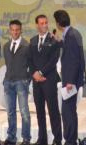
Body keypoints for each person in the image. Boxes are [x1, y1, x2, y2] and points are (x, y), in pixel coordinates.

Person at [27, 14, 62, 145]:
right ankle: (42, 139)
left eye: (46, 22)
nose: (44, 25)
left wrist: (41, 72)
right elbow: (29, 60)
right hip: (36, 82)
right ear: (37, 25)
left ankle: (57, 140)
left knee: (53, 111)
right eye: (41, 23)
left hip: (49, 80)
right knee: (39, 112)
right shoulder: (33, 40)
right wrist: (35, 73)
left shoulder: (54, 40)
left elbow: (54, 60)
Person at [53, 10, 85, 145]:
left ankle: (70, 140)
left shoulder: (71, 35)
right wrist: (59, 42)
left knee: (68, 112)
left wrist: (70, 81)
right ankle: (72, 138)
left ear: (59, 23)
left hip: (70, 81)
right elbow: (70, 51)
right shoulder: (72, 33)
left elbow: (74, 60)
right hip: (72, 80)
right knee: (70, 111)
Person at [2, 19, 31, 145]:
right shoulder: (6, 46)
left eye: (17, 30)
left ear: (21, 30)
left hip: (21, 82)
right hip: (8, 82)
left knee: (24, 112)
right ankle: (11, 137)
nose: (14, 32)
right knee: (10, 112)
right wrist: (5, 80)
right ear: (9, 30)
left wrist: (26, 80)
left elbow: (32, 65)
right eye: (12, 30)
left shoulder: (27, 46)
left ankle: (26, 138)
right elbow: (8, 65)